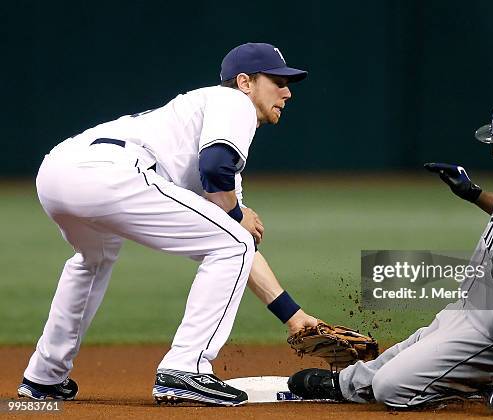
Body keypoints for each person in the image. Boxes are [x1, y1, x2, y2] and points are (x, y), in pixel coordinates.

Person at [18, 42, 318, 407]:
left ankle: (44, 377)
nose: (287, 92)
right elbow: (216, 168)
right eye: (277, 81)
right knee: (232, 242)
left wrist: (292, 315)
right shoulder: (233, 103)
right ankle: (184, 370)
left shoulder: (200, 118)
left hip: (57, 170)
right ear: (245, 82)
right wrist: (238, 215)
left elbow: (235, 235)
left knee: (92, 261)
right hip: (112, 171)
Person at [289, 98, 493, 415]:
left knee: (392, 389)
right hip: (479, 307)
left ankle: (478, 386)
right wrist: (473, 193)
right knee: (411, 348)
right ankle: (348, 385)